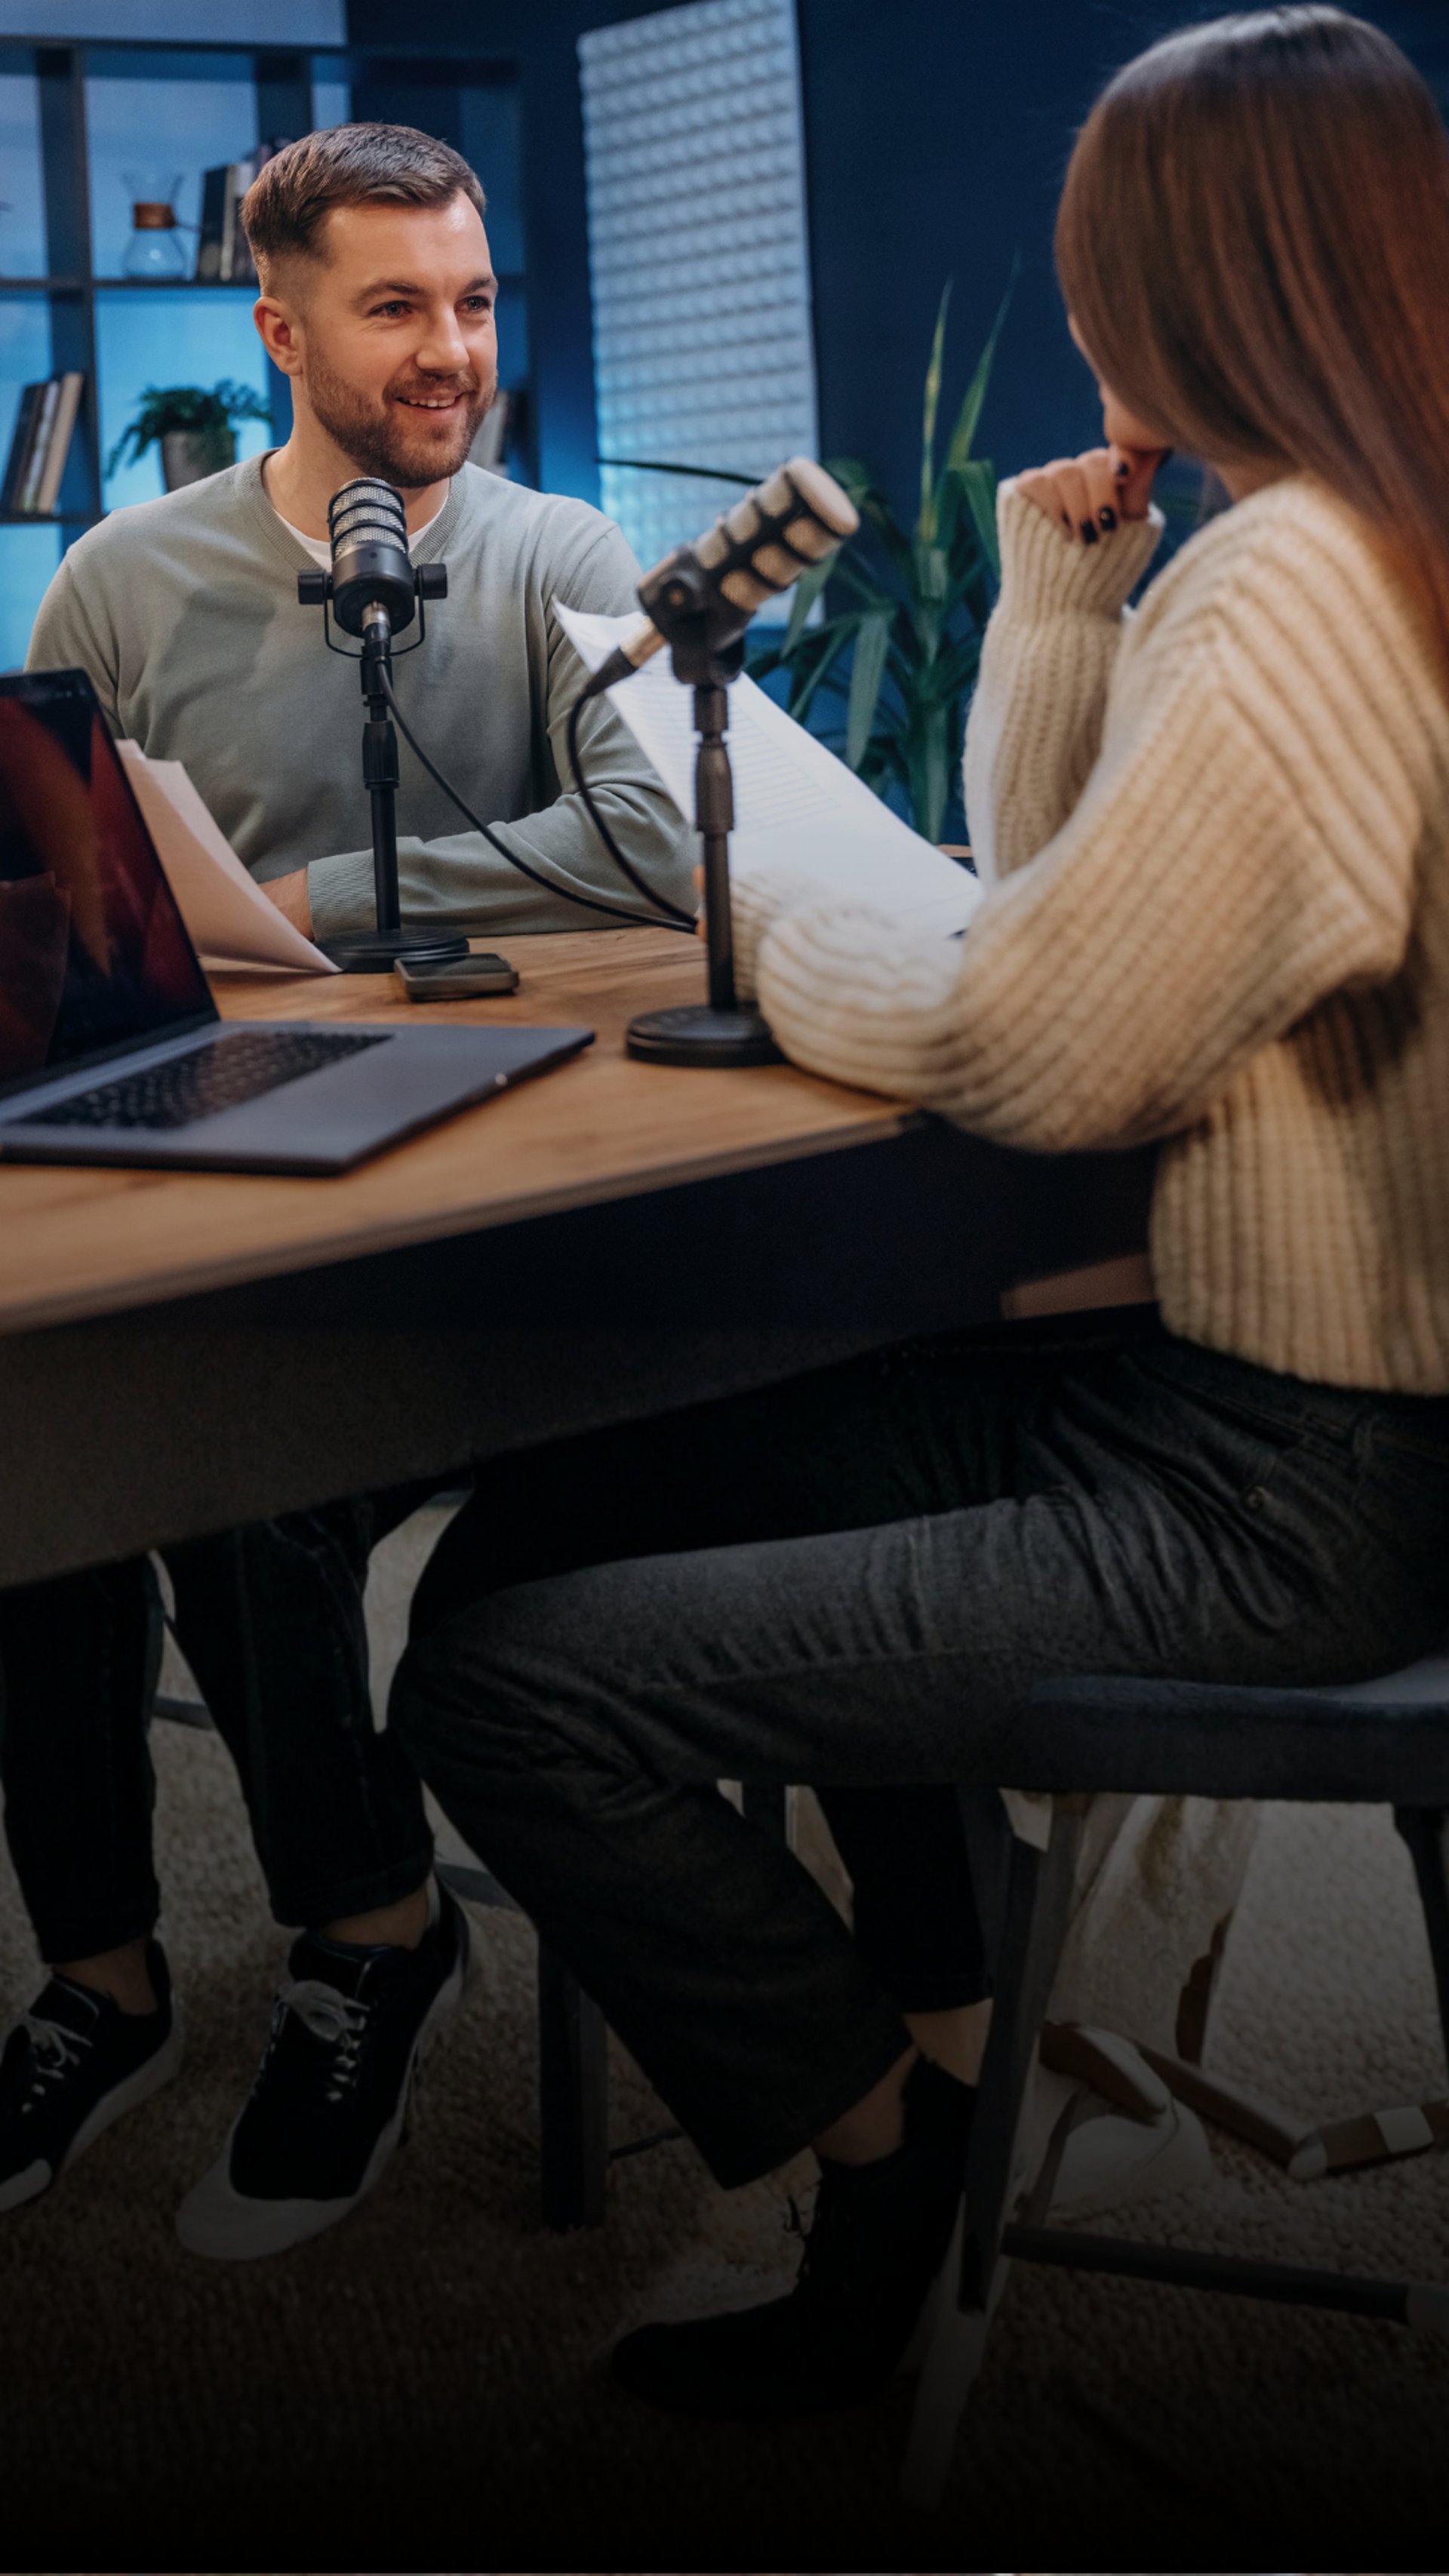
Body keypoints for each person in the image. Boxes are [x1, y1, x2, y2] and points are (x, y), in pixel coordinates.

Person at [389, 3, 1449, 2419]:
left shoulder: (1304, 583)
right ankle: (934, 2063)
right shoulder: (1362, 535)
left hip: (1285, 1496)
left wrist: (762, 915)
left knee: (493, 1680)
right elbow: (1080, 908)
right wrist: (1065, 601)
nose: (1076, 315)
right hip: (1262, 1423)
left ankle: (886, 2150)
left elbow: (1025, 1035)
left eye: (1097, 271)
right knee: (567, 1513)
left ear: (1182, 281)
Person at [0, 122, 691, 2256]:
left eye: (473, 302)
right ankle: (102, 1975)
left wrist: (326, 892)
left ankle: (372, 1933)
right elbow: (51, 911)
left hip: (501, 1184)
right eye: (396, 307)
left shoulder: (563, 554)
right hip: (220, 1129)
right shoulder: (121, 582)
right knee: (46, 1441)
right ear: (280, 324)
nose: (449, 350)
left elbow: (659, 842)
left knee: (236, 1455)